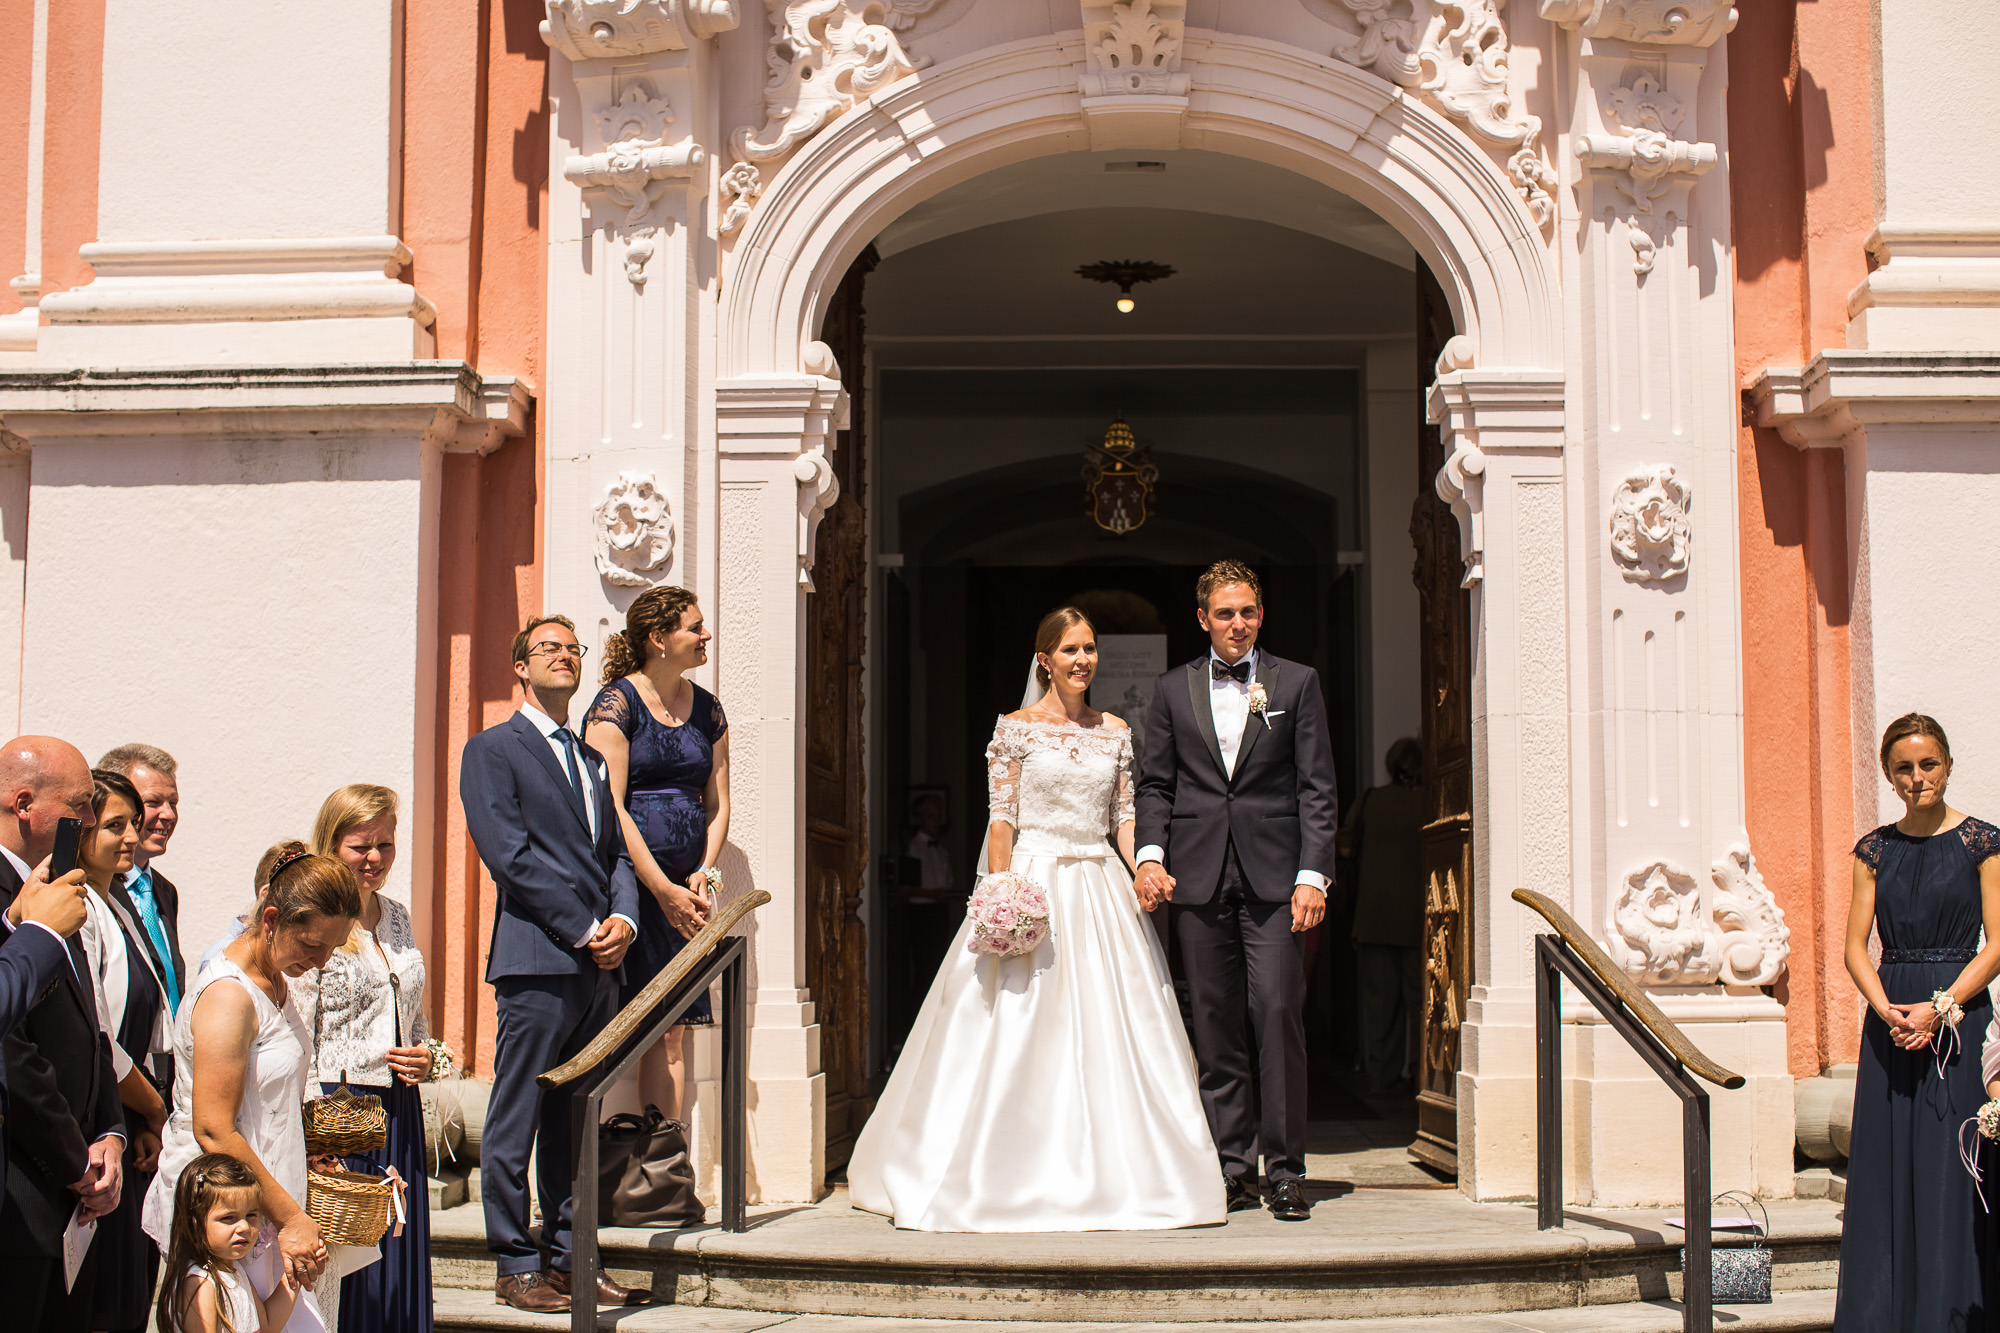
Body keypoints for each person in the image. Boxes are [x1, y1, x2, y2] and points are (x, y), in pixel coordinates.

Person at [848, 607, 1224, 1232]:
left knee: (1117, 1022)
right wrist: (1002, 890)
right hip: (1035, 880)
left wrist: (1145, 869)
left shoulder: (1116, 732)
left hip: (1102, 885)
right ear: (1044, 659)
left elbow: (1124, 818)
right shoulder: (1015, 730)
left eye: (1091, 649)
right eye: (1071, 650)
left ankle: (1128, 1172)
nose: (1084, 661)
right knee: (1018, 1021)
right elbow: (1004, 818)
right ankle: (998, 1166)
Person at [1134, 562, 1338, 1222]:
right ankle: (1229, 1166)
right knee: (1216, 1026)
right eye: (1225, 613)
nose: (1237, 623)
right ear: (1203, 618)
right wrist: (1150, 854)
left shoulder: (1296, 683)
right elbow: (1155, 784)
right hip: (1195, 878)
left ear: (1260, 613)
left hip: (1278, 880)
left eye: (1248, 610)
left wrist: (1313, 874)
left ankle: (1284, 1169)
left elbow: (1317, 788)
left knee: (1278, 1013)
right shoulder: (1171, 689)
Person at [461, 614, 645, 1313]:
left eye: (572, 648)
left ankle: (571, 1259)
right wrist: (584, 926)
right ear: (520, 666)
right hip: (539, 959)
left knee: (575, 1122)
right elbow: (508, 854)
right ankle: (514, 1262)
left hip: (599, 967)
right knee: (518, 1114)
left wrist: (623, 919)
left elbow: (616, 855)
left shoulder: (593, 760)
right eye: (548, 648)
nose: (564, 656)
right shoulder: (493, 750)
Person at [142, 841, 361, 1330]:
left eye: (333, 946)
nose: (323, 960)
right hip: (227, 1209)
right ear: (271, 919)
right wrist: (291, 1219)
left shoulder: (275, 979)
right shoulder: (228, 996)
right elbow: (214, 1129)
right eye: (312, 945)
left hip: (266, 1194)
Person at [1834, 713, 2000, 1331]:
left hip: (1957, 1024)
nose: (1917, 778)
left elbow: (1998, 943)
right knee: (1886, 1176)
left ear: (1949, 765)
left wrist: (1942, 1007)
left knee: (1951, 1171)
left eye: (1928, 764)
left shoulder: (1984, 843)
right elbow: (1855, 946)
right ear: (1888, 774)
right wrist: (1885, 1009)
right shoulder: (1873, 850)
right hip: (1891, 1026)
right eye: (1903, 767)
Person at [291, 784, 434, 1333]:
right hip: (339, 1112)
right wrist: (310, 1136)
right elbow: (298, 1029)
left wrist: (428, 1057)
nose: (374, 858)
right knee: (348, 1259)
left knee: (397, 1250)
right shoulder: (318, 913)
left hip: (398, 1109)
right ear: (332, 843)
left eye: (386, 844)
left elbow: (415, 1019)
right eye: (360, 846)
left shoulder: (396, 916)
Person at [584, 586, 729, 1123]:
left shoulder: (708, 709)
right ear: (659, 638)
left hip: (687, 893)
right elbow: (611, 806)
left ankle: (666, 1166)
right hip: (632, 890)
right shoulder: (615, 704)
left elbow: (717, 801)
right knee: (632, 1030)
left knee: (673, 1033)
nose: (705, 635)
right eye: (695, 626)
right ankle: (625, 1167)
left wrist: (703, 875)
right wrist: (661, 889)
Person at [0, 737, 127, 1328]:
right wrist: (74, 1162)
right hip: (23, 1193)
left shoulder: (56, 882)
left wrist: (110, 1133)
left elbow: (92, 1025)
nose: (90, 820)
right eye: (80, 804)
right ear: (25, 803)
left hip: (77, 1198)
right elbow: (11, 1052)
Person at [73, 769, 173, 1333]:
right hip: (104, 1124)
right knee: (105, 1300)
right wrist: (154, 1109)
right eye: (115, 825)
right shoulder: (81, 908)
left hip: (132, 1122)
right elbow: (101, 1040)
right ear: (81, 830)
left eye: (135, 823)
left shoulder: (124, 907)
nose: (132, 836)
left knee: (132, 1294)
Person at [1339, 737, 1425, 1094]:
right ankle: (1423, 1074)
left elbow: (1344, 847)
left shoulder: (1371, 800)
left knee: (1380, 1004)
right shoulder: (1430, 800)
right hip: (1420, 918)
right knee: (1422, 1004)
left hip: (1374, 916)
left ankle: (1382, 1077)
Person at [156, 1153, 300, 1333]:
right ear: (195, 1223)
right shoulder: (200, 1284)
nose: (244, 1227)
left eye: (251, 1215)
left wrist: (295, 1273)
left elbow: (267, 1325)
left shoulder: (234, 1270)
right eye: (229, 1218)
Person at [98, 745, 186, 1034]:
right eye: (153, 802)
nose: (169, 814)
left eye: (173, 802)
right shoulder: (96, 886)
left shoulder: (163, 891)